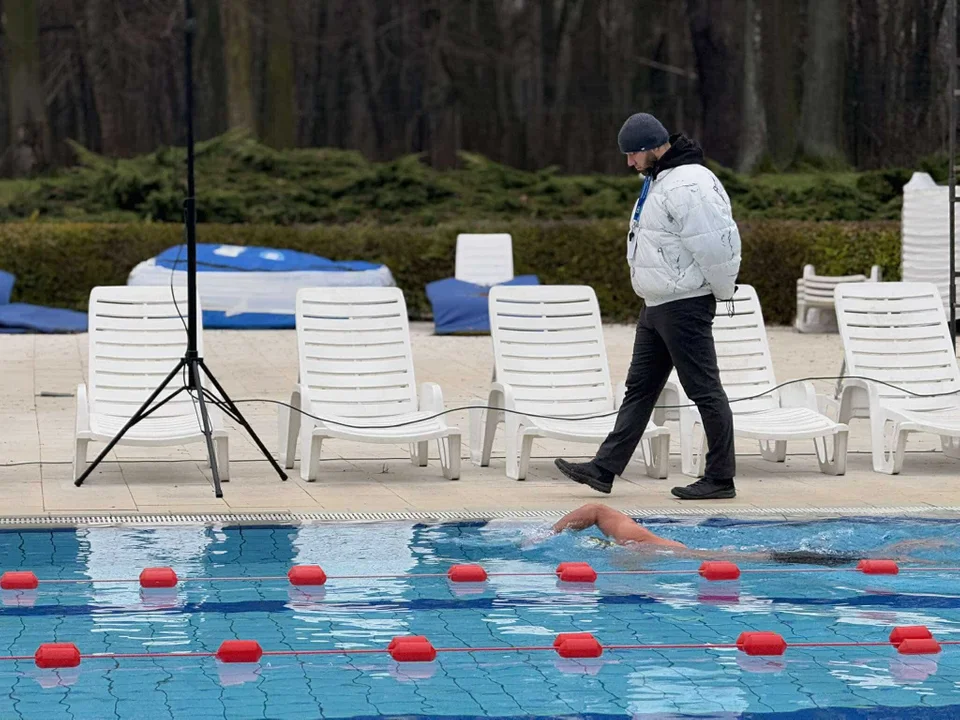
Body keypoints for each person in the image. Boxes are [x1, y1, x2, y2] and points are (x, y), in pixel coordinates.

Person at [555, 112, 741, 500]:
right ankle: (604, 469)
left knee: (704, 390)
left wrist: (721, 293)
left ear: (656, 148)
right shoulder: (661, 179)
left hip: (685, 304)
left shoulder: (689, 183)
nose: (629, 163)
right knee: (639, 388)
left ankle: (721, 478)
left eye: (633, 154)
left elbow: (717, 244)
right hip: (658, 303)